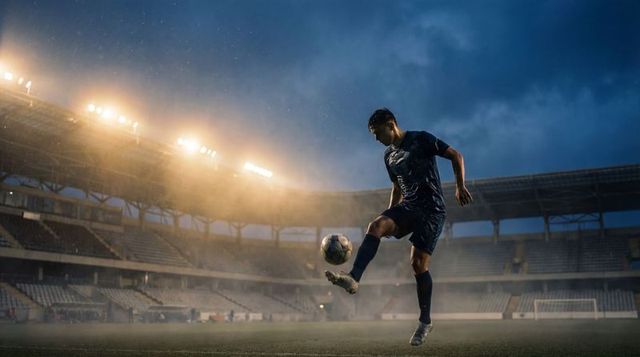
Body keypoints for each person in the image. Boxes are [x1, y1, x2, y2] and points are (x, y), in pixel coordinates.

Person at [325, 108, 472, 346]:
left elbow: (456, 155)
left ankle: (425, 322)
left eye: (377, 132)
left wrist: (459, 185)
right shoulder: (388, 156)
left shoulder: (421, 139)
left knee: (417, 264)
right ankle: (353, 278)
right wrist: (387, 217)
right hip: (409, 206)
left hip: (432, 210)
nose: (376, 139)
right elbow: (397, 187)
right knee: (375, 226)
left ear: (391, 124)